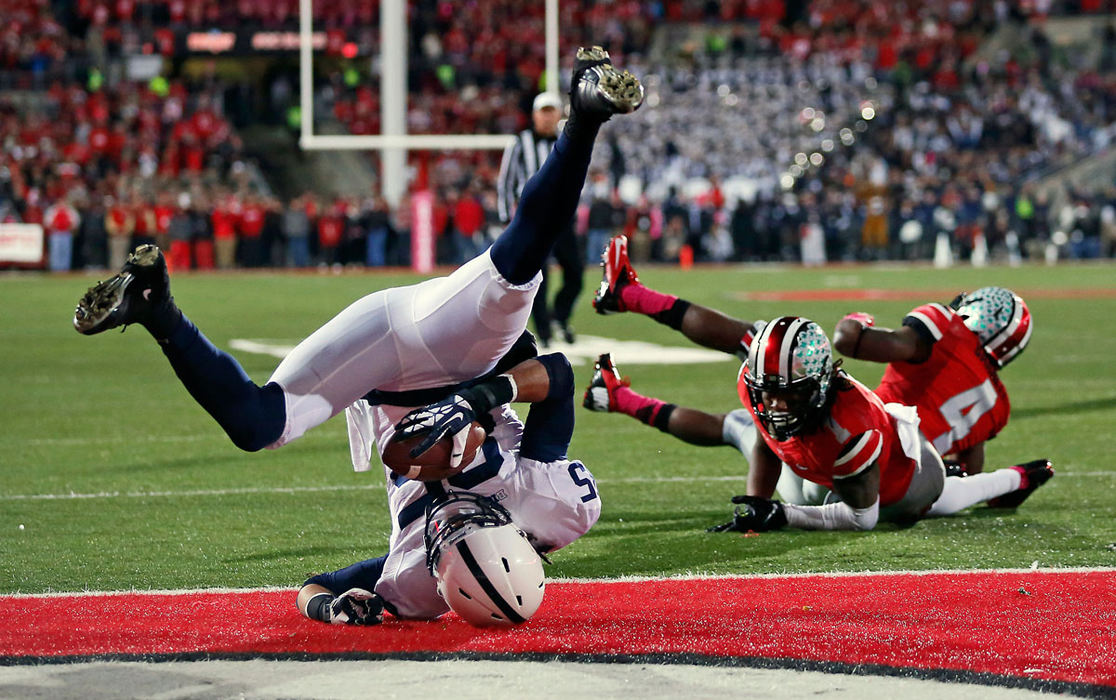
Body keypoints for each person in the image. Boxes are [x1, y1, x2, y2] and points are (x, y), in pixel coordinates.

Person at [74, 48, 643, 623]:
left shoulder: (415, 581)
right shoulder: (555, 507)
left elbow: (316, 584)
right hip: (457, 355)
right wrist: (475, 399)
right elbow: (560, 377)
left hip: (383, 379)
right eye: (475, 523)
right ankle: (585, 115)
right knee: (514, 273)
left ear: (440, 573)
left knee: (256, 427)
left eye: (446, 544)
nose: (451, 526)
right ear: (515, 535)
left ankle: (153, 307)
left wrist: (327, 608)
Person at [583, 236, 1052, 531]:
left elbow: (857, 342)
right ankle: (619, 367)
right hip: (897, 466)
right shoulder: (997, 407)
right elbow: (965, 472)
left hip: (874, 451)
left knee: (745, 409)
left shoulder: (939, 334)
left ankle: (625, 335)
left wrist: (855, 321)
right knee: (767, 385)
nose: (775, 400)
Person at [498, 91, 585, 347]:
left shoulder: (568, 142)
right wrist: (506, 218)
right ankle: (544, 334)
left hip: (562, 217)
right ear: (534, 115)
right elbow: (506, 182)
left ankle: (559, 315)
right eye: (543, 112)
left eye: (551, 111)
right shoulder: (519, 143)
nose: (547, 117)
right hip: (532, 220)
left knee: (575, 273)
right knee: (538, 278)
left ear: (559, 114)